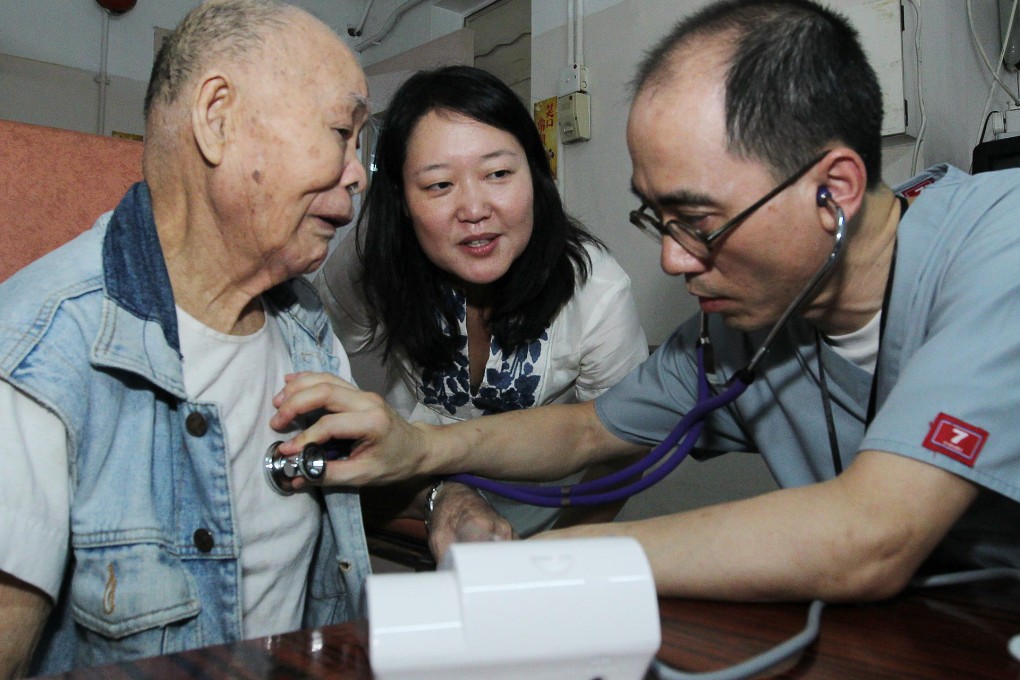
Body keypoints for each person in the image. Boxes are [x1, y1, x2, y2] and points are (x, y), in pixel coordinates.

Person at [273, 0, 1020, 604]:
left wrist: (538, 566)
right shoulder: (744, 330)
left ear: (836, 192)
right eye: (656, 220)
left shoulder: (1001, 248)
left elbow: (871, 536)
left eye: (697, 222)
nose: (672, 258)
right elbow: (591, 429)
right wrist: (426, 450)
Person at [0, 1, 372, 675]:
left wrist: (444, 496)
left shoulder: (312, 333)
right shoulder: (39, 352)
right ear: (217, 118)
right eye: (343, 131)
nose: (359, 172)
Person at [313, 65, 648, 554]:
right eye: (438, 185)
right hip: (407, 497)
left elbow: (627, 447)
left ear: (535, 174)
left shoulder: (597, 291)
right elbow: (308, 352)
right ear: (403, 201)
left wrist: (562, 551)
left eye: (497, 174)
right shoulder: (375, 261)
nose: (474, 209)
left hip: (535, 519)